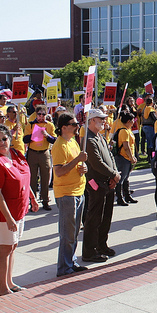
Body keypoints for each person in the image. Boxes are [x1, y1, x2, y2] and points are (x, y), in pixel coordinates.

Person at [0, 125, 38, 296]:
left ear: (10, 138)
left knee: (13, 247)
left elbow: (24, 178)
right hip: (4, 213)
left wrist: (32, 197)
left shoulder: (15, 154)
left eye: (4, 139)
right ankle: (2, 288)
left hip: (19, 209)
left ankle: (10, 282)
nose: (2, 143)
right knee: (5, 248)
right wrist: (8, 218)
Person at [52, 113, 89, 277]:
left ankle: (71, 261)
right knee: (67, 233)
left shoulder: (72, 142)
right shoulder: (59, 145)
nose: (77, 126)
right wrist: (77, 161)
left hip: (78, 190)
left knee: (74, 232)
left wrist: (83, 168)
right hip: (66, 193)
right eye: (73, 124)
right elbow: (59, 171)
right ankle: (64, 267)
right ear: (63, 127)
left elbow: (76, 164)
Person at [82, 109, 121, 263]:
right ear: (92, 120)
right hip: (96, 183)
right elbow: (97, 163)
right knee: (94, 218)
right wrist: (114, 174)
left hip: (107, 183)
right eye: (101, 119)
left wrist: (114, 174)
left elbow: (110, 156)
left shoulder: (100, 137)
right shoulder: (89, 140)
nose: (104, 121)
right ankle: (89, 251)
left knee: (106, 217)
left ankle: (101, 245)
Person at [23, 105, 56, 210]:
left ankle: (45, 200)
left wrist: (47, 135)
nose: (41, 116)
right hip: (32, 153)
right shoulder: (31, 125)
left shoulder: (49, 125)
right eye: (39, 114)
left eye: (43, 114)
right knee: (32, 178)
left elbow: (54, 140)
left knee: (45, 177)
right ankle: (33, 201)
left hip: (44, 153)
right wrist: (33, 135)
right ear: (36, 114)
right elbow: (25, 139)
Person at [114, 112, 138, 206]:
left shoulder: (128, 130)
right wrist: (131, 157)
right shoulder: (124, 131)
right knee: (121, 178)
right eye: (132, 120)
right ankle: (120, 198)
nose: (133, 122)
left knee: (126, 178)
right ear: (128, 121)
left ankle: (127, 196)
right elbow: (126, 146)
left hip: (127, 157)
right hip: (123, 157)